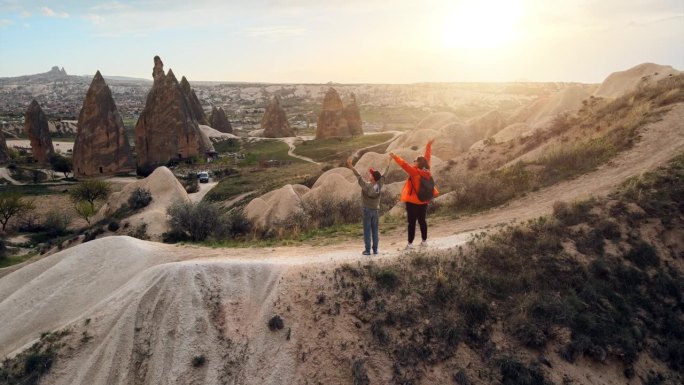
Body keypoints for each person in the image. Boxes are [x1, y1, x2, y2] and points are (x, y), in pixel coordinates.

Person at [389, 139, 438, 249]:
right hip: (424, 200)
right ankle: (424, 241)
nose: (413, 161)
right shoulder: (427, 171)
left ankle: (410, 244)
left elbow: (404, 164)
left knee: (412, 223)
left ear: (419, 163)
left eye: (415, 160)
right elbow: (427, 157)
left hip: (412, 201)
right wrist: (428, 145)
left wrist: (395, 156)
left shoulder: (414, 172)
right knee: (422, 221)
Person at [346, 157, 389, 255]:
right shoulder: (379, 185)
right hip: (376, 211)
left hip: (367, 211)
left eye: (371, 174)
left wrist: (351, 166)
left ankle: (367, 250)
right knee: (375, 231)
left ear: (373, 178)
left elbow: (358, 176)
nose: (370, 175)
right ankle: (375, 250)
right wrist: (389, 161)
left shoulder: (366, 186)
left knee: (367, 231)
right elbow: (384, 174)